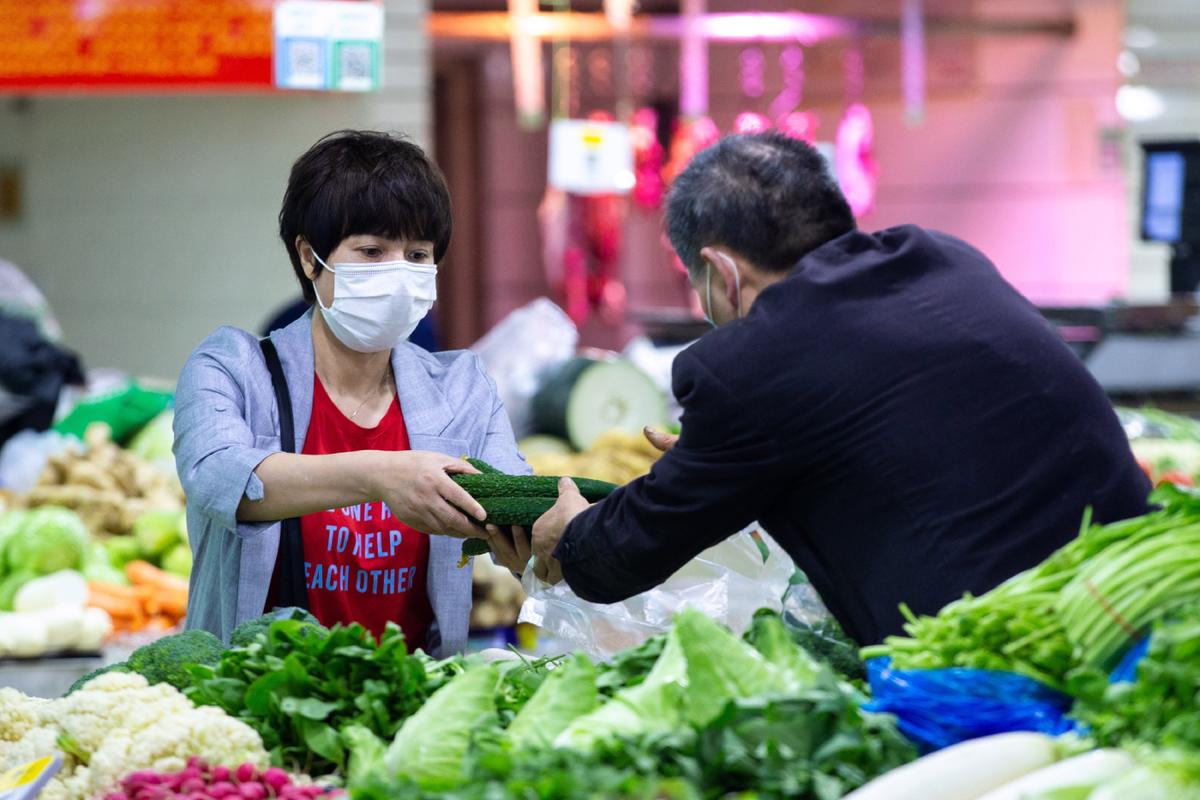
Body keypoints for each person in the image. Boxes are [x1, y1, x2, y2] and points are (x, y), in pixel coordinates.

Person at [523, 132, 1151, 646]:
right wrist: (708, 464)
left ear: (720, 271)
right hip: (1140, 592)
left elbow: (620, 555)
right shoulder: (944, 257)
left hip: (1007, 658)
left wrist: (573, 534)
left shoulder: (747, 365)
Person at [174, 130, 528, 654]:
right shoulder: (233, 368)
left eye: (417, 254)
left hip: (409, 704)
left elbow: (516, 501)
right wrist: (381, 476)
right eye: (371, 250)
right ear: (309, 258)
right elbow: (218, 476)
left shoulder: (461, 389)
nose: (398, 272)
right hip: (254, 702)